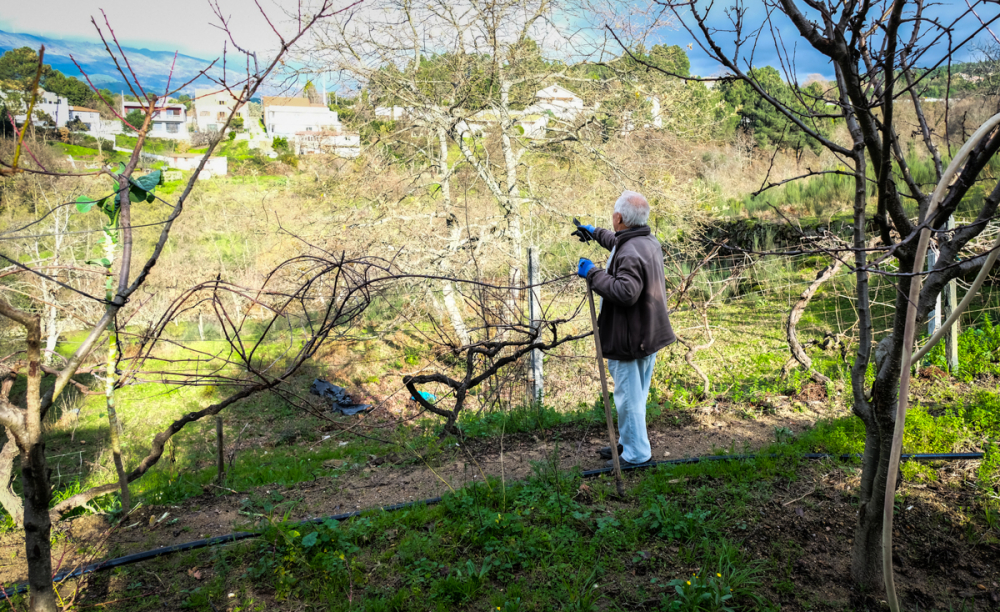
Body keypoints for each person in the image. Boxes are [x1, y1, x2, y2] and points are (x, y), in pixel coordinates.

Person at [575, 191, 676, 467]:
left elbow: (625, 291)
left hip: (629, 337)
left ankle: (636, 455)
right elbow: (619, 243)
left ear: (619, 217)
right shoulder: (645, 241)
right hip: (647, 332)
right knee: (636, 396)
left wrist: (593, 273)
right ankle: (628, 443)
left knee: (628, 398)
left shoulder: (631, 250)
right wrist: (594, 232)